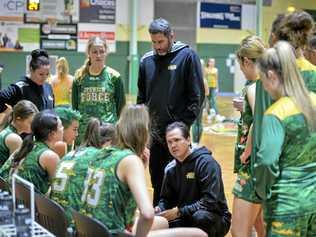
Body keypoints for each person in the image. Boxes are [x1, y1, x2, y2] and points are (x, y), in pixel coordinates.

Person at [137, 18, 205, 205]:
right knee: (158, 181)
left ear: (171, 37)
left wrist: (181, 128)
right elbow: (142, 100)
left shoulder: (187, 56)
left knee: (180, 183)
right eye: (154, 42)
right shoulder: (146, 61)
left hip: (177, 135)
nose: (157, 46)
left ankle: (179, 221)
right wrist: (143, 130)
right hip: (154, 136)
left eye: (161, 42)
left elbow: (196, 96)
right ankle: (159, 222)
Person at [254, 40, 316, 236]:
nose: (263, 87)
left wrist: (262, 192)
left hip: (287, 205)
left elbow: (266, 161)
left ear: (271, 76)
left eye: (262, 80)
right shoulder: (314, 100)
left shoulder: (276, 113)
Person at [156, 121, 231, 237]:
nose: (173, 145)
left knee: (200, 217)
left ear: (188, 140)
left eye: (177, 140)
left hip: (215, 217)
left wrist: (179, 212)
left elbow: (209, 202)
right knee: (157, 222)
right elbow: (166, 199)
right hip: (185, 216)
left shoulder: (206, 163)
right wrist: (159, 209)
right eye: (169, 142)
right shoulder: (170, 169)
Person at [231, 36, 265, 237]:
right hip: (265, 166)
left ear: (246, 61)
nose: (242, 70)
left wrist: (247, 152)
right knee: (260, 227)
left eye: (241, 65)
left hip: (252, 166)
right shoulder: (272, 83)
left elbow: (260, 121)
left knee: (239, 231)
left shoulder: (254, 87)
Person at [51, 118, 115, 224]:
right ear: (108, 143)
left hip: (54, 220)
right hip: (75, 226)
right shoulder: (99, 158)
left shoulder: (72, 153)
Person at [72, 36, 125, 145]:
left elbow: (121, 109)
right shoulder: (79, 77)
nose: (98, 55)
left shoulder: (115, 77)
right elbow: (75, 108)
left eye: (102, 51)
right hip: (84, 132)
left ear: (106, 53)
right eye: (94, 52)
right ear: (88, 53)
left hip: (107, 132)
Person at [0, 110, 63, 195]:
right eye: (61, 126)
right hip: (28, 205)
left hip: (10, 201)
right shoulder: (49, 156)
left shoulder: (25, 146)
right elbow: (59, 192)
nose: (63, 129)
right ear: (52, 134)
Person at [0, 49, 54, 113]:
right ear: (31, 69)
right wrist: (8, 114)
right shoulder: (19, 88)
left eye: (47, 74)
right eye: (41, 74)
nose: (44, 77)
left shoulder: (48, 87)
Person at [0, 100, 38, 167]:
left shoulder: (7, 131)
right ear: (18, 119)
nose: (33, 126)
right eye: (30, 123)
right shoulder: (14, 139)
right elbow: (14, 169)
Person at [191, 59, 209, 144]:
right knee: (199, 122)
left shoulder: (194, 78)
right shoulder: (203, 79)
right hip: (200, 102)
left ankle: (195, 142)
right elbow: (207, 93)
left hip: (197, 102)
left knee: (195, 123)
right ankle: (196, 142)